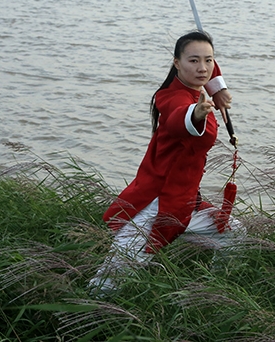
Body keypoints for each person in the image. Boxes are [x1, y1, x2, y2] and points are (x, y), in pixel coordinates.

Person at [89, 31, 240, 292]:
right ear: (176, 63)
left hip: (186, 202)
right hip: (157, 204)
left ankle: (214, 292)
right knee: (113, 276)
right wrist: (197, 114)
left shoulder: (198, 83)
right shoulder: (172, 98)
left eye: (209, 60)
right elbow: (177, 119)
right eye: (193, 61)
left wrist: (220, 89)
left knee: (233, 233)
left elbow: (208, 72)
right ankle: (88, 314)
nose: (202, 68)